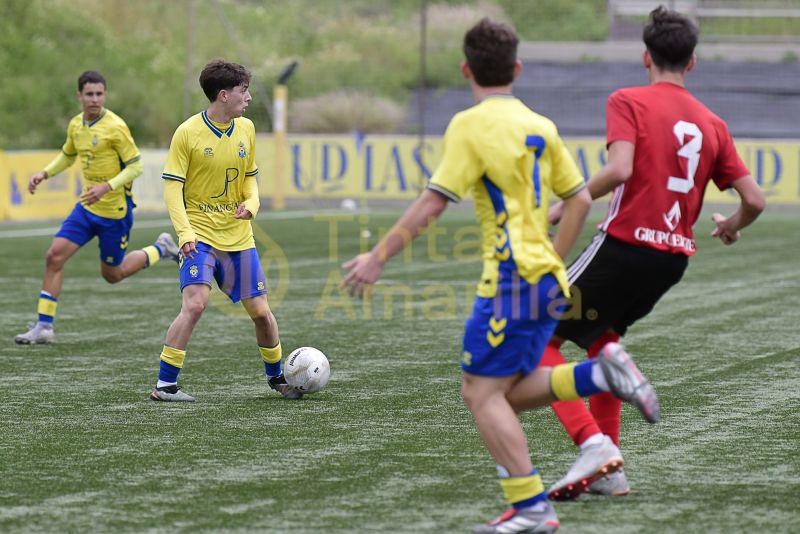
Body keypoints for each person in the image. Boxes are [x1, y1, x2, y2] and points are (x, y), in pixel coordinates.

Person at [342, 19, 662, 534]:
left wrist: (378, 257)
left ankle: (535, 501)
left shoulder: (470, 124)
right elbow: (579, 199)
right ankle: (592, 384)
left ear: (467, 69)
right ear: (517, 68)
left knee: (479, 393)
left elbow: (433, 201)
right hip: (545, 278)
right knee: (503, 392)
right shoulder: (541, 124)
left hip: (511, 280)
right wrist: (556, 259)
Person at [543, 5, 766, 501]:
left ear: (646, 57)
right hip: (672, 261)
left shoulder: (629, 100)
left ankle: (592, 444)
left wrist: (568, 203)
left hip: (626, 243)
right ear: (692, 63)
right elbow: (754, 200)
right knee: (601, 339)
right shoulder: (712, 123)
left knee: (533, 330)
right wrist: (730, 226)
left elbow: (620, 168)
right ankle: (612, 471)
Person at [149, 59, 300, 402]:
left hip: (238, 238)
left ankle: (277, 378)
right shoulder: (187, 133)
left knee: (261, 313)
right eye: (243, 91)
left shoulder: (246, 128)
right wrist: (185, 234)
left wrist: (253, 204)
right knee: (196, 304)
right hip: (199, 236)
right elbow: (173, 188)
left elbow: (250, 178)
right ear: (222, 95)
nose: (247, 98)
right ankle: (165, 385)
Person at [15, 70, 179, 345]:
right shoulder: (76, 125)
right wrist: (44, 174)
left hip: (114, 214)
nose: (94, 99)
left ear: (105, 94)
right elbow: (68, 156)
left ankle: (160, 249)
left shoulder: (115, 127)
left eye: (99, 94)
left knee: (112, 275)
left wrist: (107, 186)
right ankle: (44, 326)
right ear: (79, 96)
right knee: (54, 257)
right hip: (86, 209)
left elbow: (136, 166)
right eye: (89, 94)